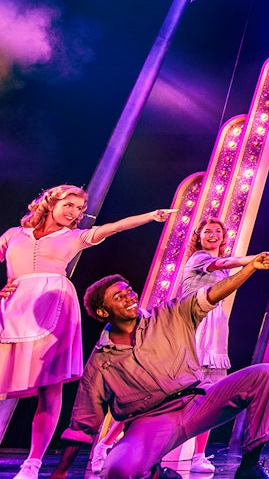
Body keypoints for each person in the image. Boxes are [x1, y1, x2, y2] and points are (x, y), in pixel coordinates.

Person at [46, 251, 269, 479]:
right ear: (102, 311)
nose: (129, 297)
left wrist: (249, 268)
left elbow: (212, 294)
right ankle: (155, 473)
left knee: (265, 373)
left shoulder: (170, 314)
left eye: (128, 291)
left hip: (197, 401)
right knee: (117, 471)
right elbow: (84, 421)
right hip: (152, 421)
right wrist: (61, 470)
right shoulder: (101, 362)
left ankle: (249, 466)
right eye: (118, 297)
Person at [0, 184, 174, 479]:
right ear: (51, 202)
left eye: (80, 209)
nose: (74, 213)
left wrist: (151, 216)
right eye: (69, 205)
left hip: (53, 306)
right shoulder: (14, 235)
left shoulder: (73, 237)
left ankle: (33, 463)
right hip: (13, 310)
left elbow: (113, 227)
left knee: (48, 385)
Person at [174, 217, 269, 473]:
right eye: (208, 231)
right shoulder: (198, 258)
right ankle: (108, 443)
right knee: (173, 384)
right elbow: (223, 261)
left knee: (209, 391)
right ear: (199, 236)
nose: (213, 235)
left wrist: (252, 266)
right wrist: (251, 259)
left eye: (218, 231)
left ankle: (199, 455)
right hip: (194, 321)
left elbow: (230, 275)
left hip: (215, 326)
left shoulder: (222, 271)